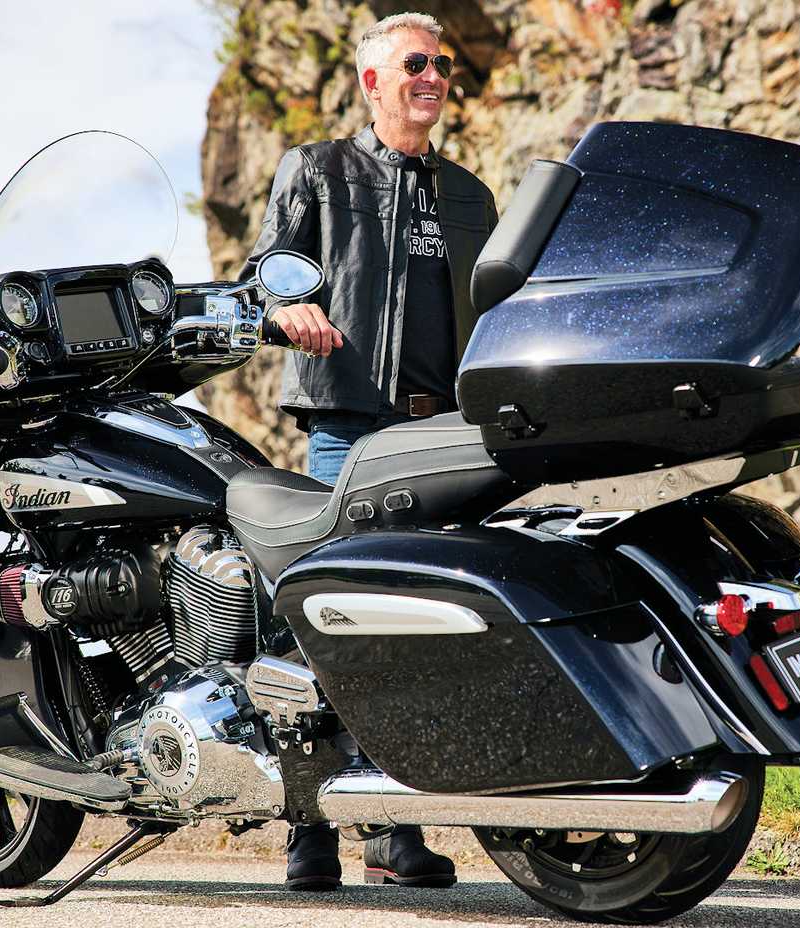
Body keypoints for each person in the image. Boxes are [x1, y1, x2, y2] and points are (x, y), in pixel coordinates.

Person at [241, 11, 499, 892]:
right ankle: (308, 831)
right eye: (416, 63)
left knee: (419, 634)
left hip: (441, 438)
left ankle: (395, 832)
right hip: (348, 429)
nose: (434, 75)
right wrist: (288, 310)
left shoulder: (471, 197)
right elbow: (266, 269)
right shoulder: (317, 170)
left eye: (443, 65)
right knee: (324, 625)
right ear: (373, 81)